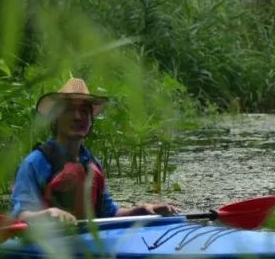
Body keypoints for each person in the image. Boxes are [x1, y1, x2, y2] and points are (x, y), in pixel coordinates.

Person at [10, 77, 178, 224]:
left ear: (91, 121)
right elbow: (20, 215)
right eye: (69, 110)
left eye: (84, 111)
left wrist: (141, 210)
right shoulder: (35, 162)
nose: (77, 117)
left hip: (89, 245)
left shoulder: (92, 163)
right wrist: (47, 214)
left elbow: (110, 213)